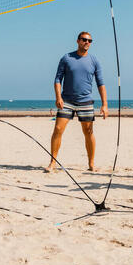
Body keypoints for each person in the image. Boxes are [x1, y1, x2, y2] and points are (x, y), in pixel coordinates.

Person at [45, 31, 109, 172]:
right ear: (78, 41)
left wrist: (105, 104)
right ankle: (52, 163)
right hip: (66, 100)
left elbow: (101, 83)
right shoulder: (67, 58)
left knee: (88, 132)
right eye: (84, 40)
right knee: (58, 129)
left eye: (90, 41)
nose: (87, 42)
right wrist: (58, 97)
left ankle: (91, 164)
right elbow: (57, 79)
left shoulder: (94, 60)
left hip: (85, 101)